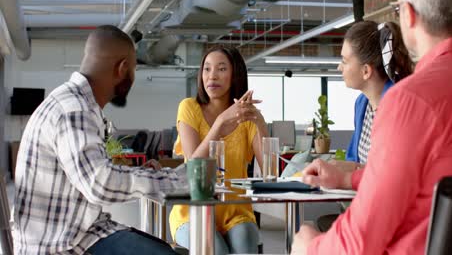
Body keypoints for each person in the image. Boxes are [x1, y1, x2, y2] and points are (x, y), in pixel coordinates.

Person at [292, 0, 452, 253]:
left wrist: (311, 247)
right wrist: (347, 179)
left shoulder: (411, 100)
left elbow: (361, 241)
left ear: (408, 14)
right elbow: (423, 178)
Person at [13, 25, 185, 255]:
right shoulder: (74, 110)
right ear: (122, 68)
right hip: (59, 245)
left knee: (164, 250)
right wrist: (178, 181)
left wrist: (145, 175)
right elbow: (99, 183)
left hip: (80, 231)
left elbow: (90, 174)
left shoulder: (76, 103)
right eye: (133, 69)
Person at [314, 20, 413, 231]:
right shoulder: (362, 104)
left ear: (366, 71)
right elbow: (354, 159)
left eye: (344, 60)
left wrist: (353, 170)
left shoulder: (398, 105)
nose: (339, 67)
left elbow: (393, 174)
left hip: (389, 212)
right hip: (362, 202)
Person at [169, 45, 268, 255]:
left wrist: (258, 120)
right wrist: (221, 123)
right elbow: (194, 165)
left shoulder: (247, 118)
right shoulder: (189, 107)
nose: (212, 75)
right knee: (218, 251)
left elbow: (271, 170)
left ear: (235, 75)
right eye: (207, 69)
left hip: (237, 211)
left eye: (221, 69)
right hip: (193, 212)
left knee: (245, 248)